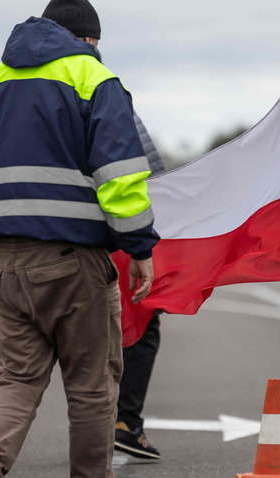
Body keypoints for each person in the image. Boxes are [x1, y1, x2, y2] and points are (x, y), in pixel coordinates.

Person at [0, 1, 160, 476]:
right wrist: (139, 247)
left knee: (16, 377)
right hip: (73, 263)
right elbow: (120, 180)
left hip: (2, 259)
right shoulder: (95, 80)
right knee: (91, 387)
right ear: (88, 40)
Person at [114, 115, 164, 460]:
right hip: (116, 235)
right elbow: (153, 176)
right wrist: (141, 244)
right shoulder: (109, 97)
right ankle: (124, 424)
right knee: (142, 322)